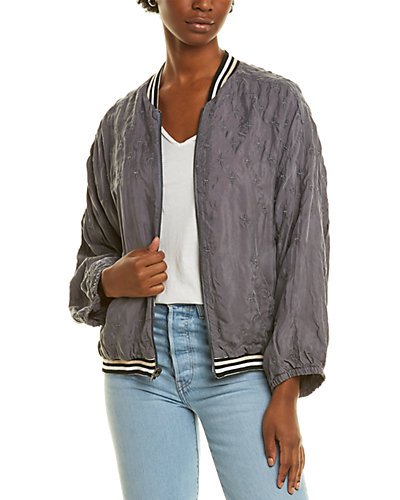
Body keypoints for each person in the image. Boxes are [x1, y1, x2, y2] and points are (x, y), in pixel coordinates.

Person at [68, 0, 330, 498]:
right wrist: (109, 279)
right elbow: (92, 254)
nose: (204, 3)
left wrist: (287, 389)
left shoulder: (277, 107)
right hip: (139, 366)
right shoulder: (118, 125)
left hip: (244, 362)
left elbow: (305, 251)